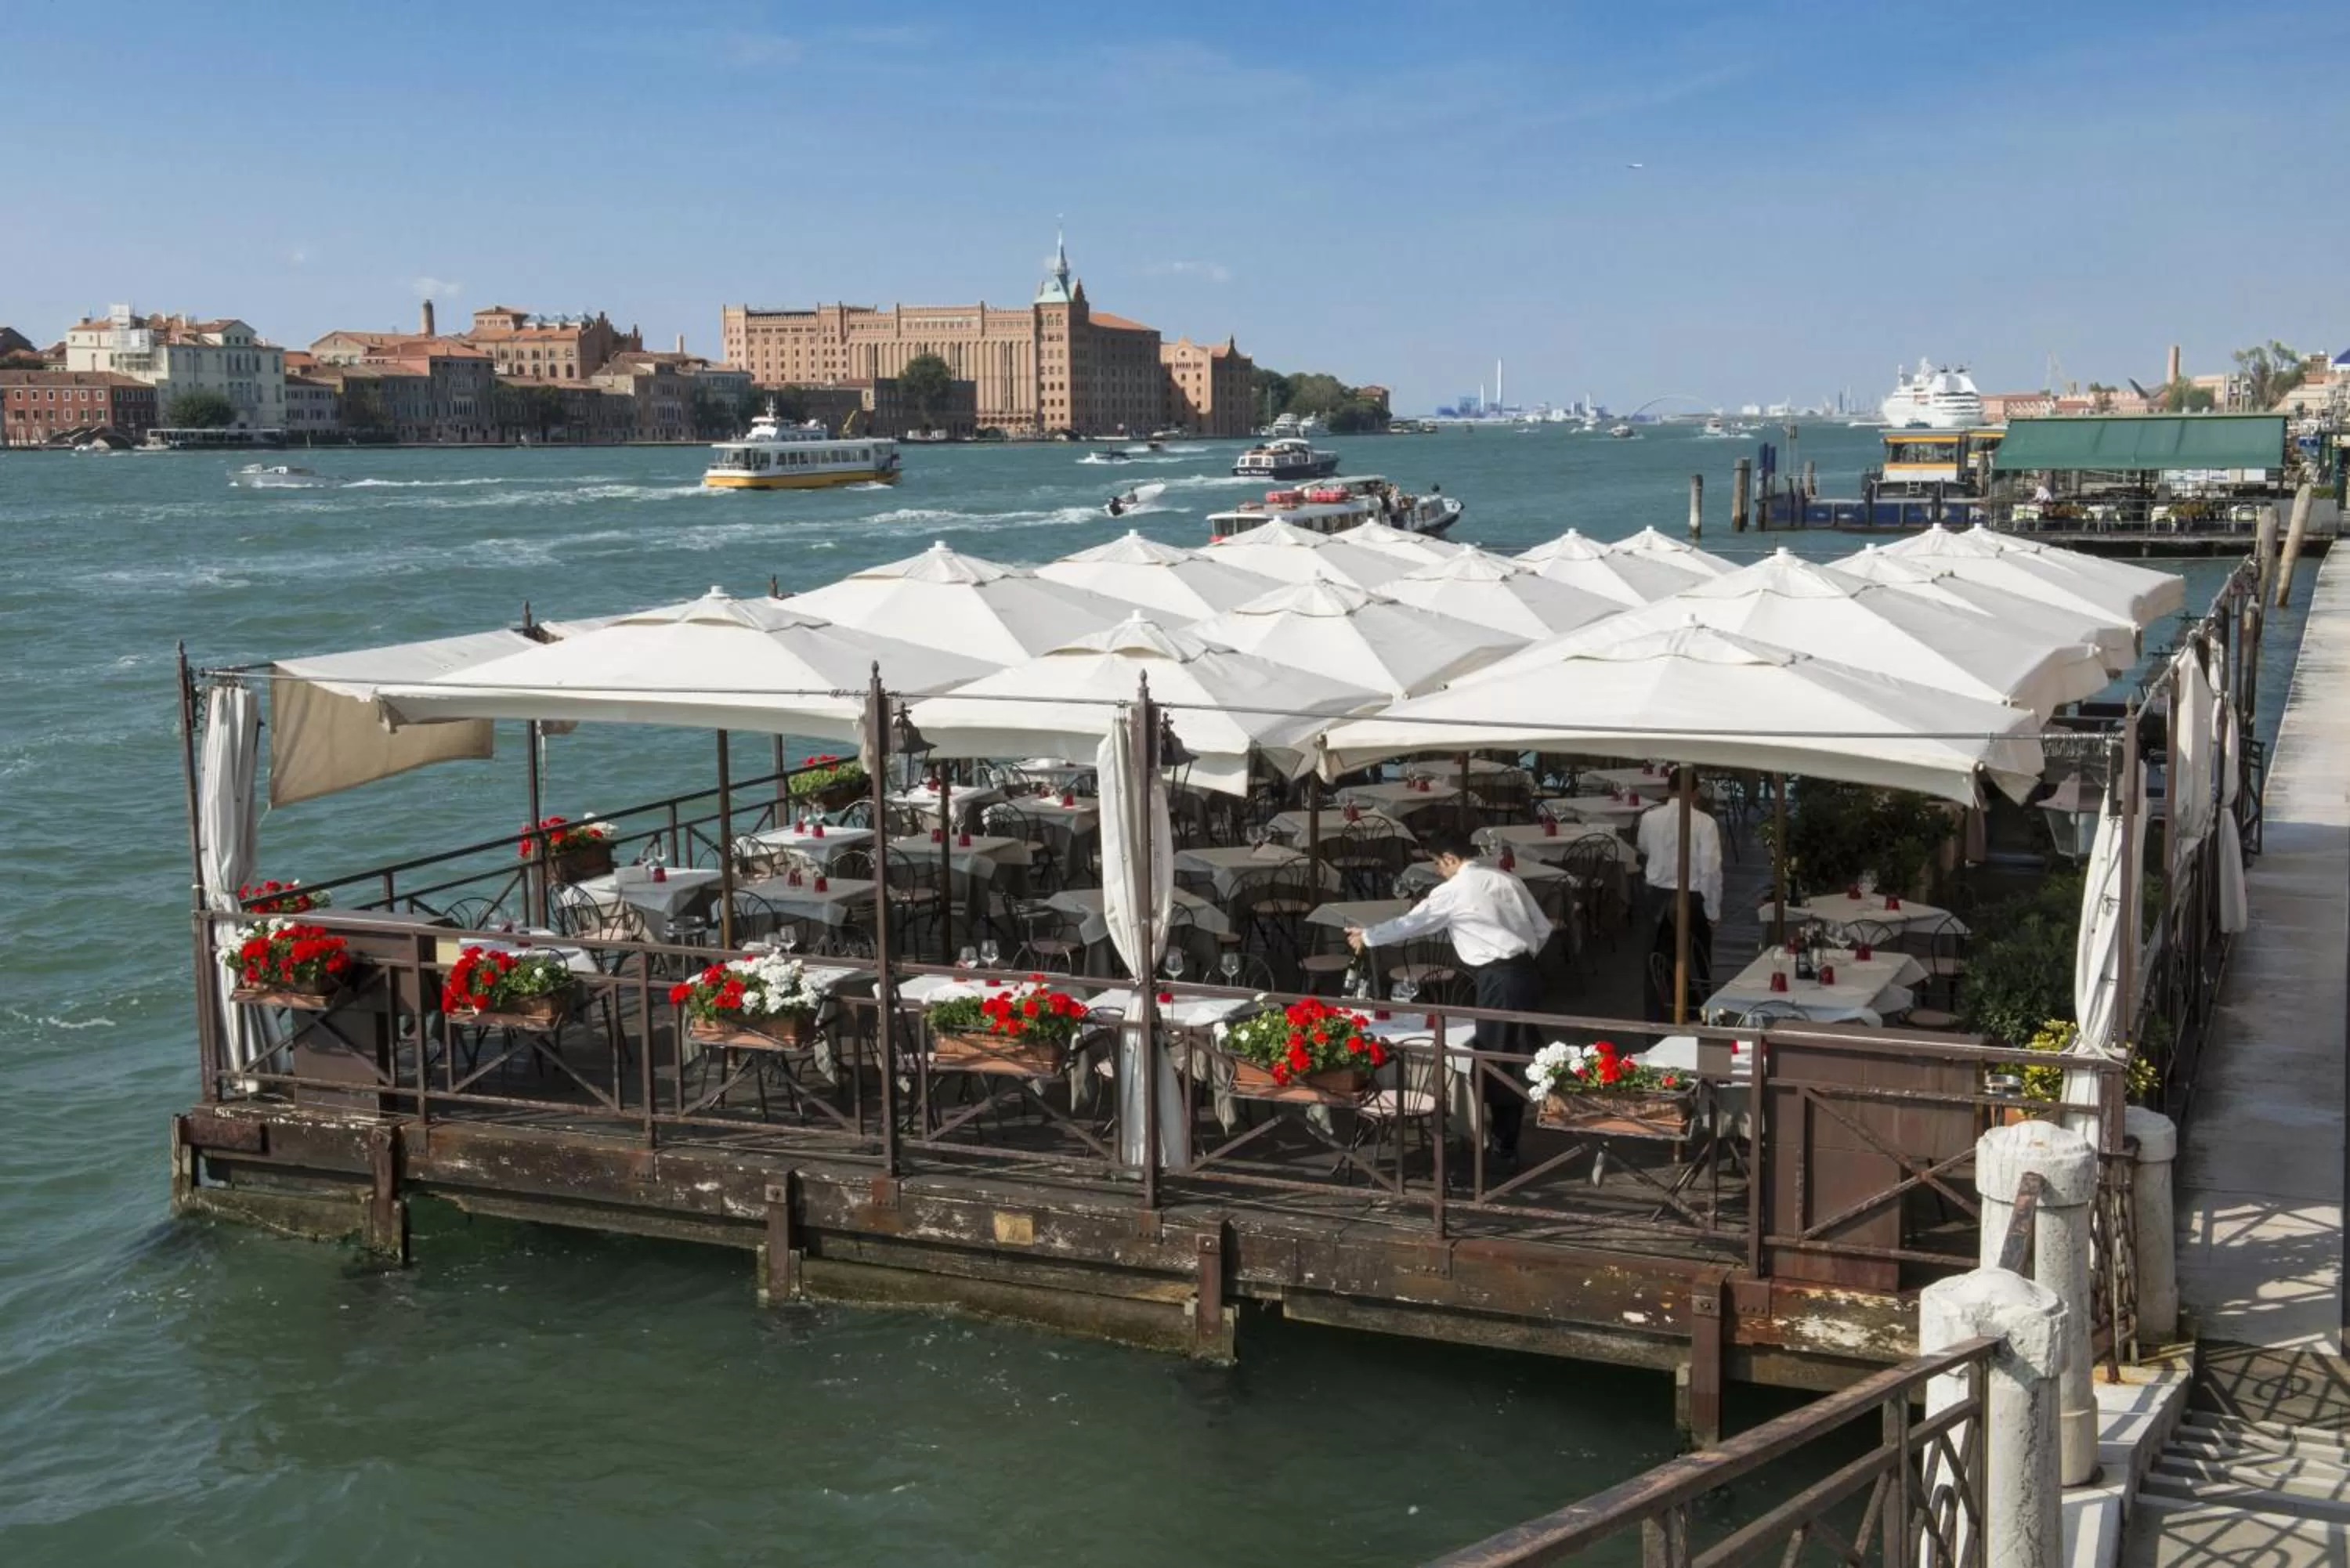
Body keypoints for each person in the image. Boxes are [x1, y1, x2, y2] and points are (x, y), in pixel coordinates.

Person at [1345, 829, 1550, 1169]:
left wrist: (1368, 937)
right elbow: (1542, 928)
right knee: (1516, 1051)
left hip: (1498, 978)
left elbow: (1414, 923)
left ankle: (1504, 1147)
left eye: (1439, 865)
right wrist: (1519, 957)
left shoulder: (1454, 890)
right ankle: (1512, 1128)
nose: (1438, 872)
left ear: (1451, 859)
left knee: (1497, 1059)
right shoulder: (1506, 879)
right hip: (1525, 971)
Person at [1633, 768, 1723, 1020]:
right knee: (1696, 963)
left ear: (1668, 789)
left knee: (1657, 965)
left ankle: (1657, 1023)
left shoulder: (1650, 818)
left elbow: (1644, 847)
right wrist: (1713, 910)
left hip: (1657, 897)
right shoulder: (1705, 823)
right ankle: (1696, 1018)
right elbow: (1711, 871)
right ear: (1695, 793)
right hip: (1692, 898)